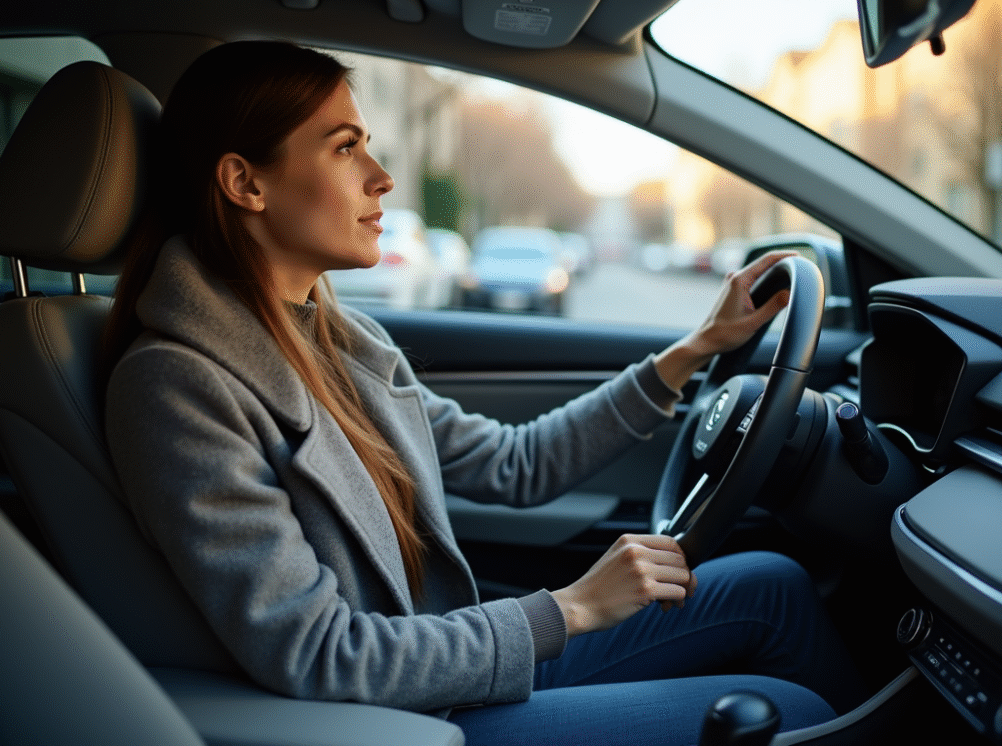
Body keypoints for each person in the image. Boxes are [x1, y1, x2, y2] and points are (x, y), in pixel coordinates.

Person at [103, 41, 864, 746]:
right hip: (401, 719)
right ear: (245, 182)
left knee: (773, 583)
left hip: (448, 664)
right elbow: (318, 654)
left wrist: (696, 349)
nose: (383, 176)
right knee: (794, 715)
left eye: (367, 141)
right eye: (344, 147)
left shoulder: (338, 339)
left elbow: (515, 463)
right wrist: (571, 608)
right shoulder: (175, 385)